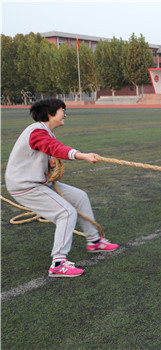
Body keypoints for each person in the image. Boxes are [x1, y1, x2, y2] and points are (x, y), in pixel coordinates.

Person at [4, 99, 119, 278]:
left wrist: (49, 161)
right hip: (25, 185)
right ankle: (58, 263)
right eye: (62, 110)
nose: (65, 114)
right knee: (66, 213)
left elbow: (47, 150)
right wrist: (83, 156)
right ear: (50, 114)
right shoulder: (37, 132)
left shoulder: (44, 132)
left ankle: (94, 241)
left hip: (39, 182)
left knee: (80, 197)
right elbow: (54, 148)